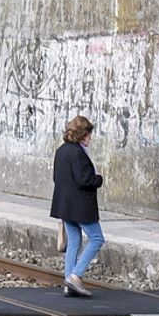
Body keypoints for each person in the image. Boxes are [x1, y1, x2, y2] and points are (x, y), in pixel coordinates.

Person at [49, 114, 103, 297]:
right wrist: (99, 179)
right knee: (97, 238)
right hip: (80, 206)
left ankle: (68, 284)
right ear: (81, 135)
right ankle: (75, 276)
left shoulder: (61, 151)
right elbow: (83, 180)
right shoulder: (78, 153)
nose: (90, 138)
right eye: (88, 134)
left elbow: (56, 178)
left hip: (64, 205)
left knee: (74, 242)